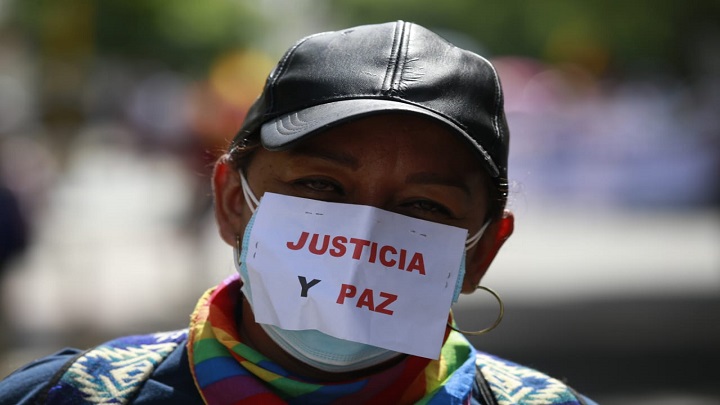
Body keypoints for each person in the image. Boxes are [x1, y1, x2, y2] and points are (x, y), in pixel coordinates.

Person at [0, 21, 597, 404]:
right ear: (234, 200)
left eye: (422, 205)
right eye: (320, 185)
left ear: (484, 249)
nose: (365, 232)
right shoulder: (68, 399)